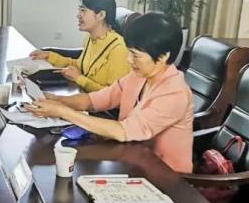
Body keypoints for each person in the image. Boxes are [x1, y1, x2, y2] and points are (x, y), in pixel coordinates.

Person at [26, 12, 193, 173]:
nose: (129, 60)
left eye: (135, 55)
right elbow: (94, 100)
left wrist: (62, 111)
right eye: (129, 52)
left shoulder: (174, 93)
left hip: (165, 177)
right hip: (133, 160)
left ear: (163, 57)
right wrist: (56, 100)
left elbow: (123, 131)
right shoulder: (139, 76)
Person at [29, 0, 131, 92]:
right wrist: (49, 56)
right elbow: (80, 66)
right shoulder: (90, 38)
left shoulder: (119, 49)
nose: (78, 15)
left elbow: (114, 95)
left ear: (101, 15)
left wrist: (79, 79)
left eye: (83, 10)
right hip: (84, 96)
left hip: (96, 102)